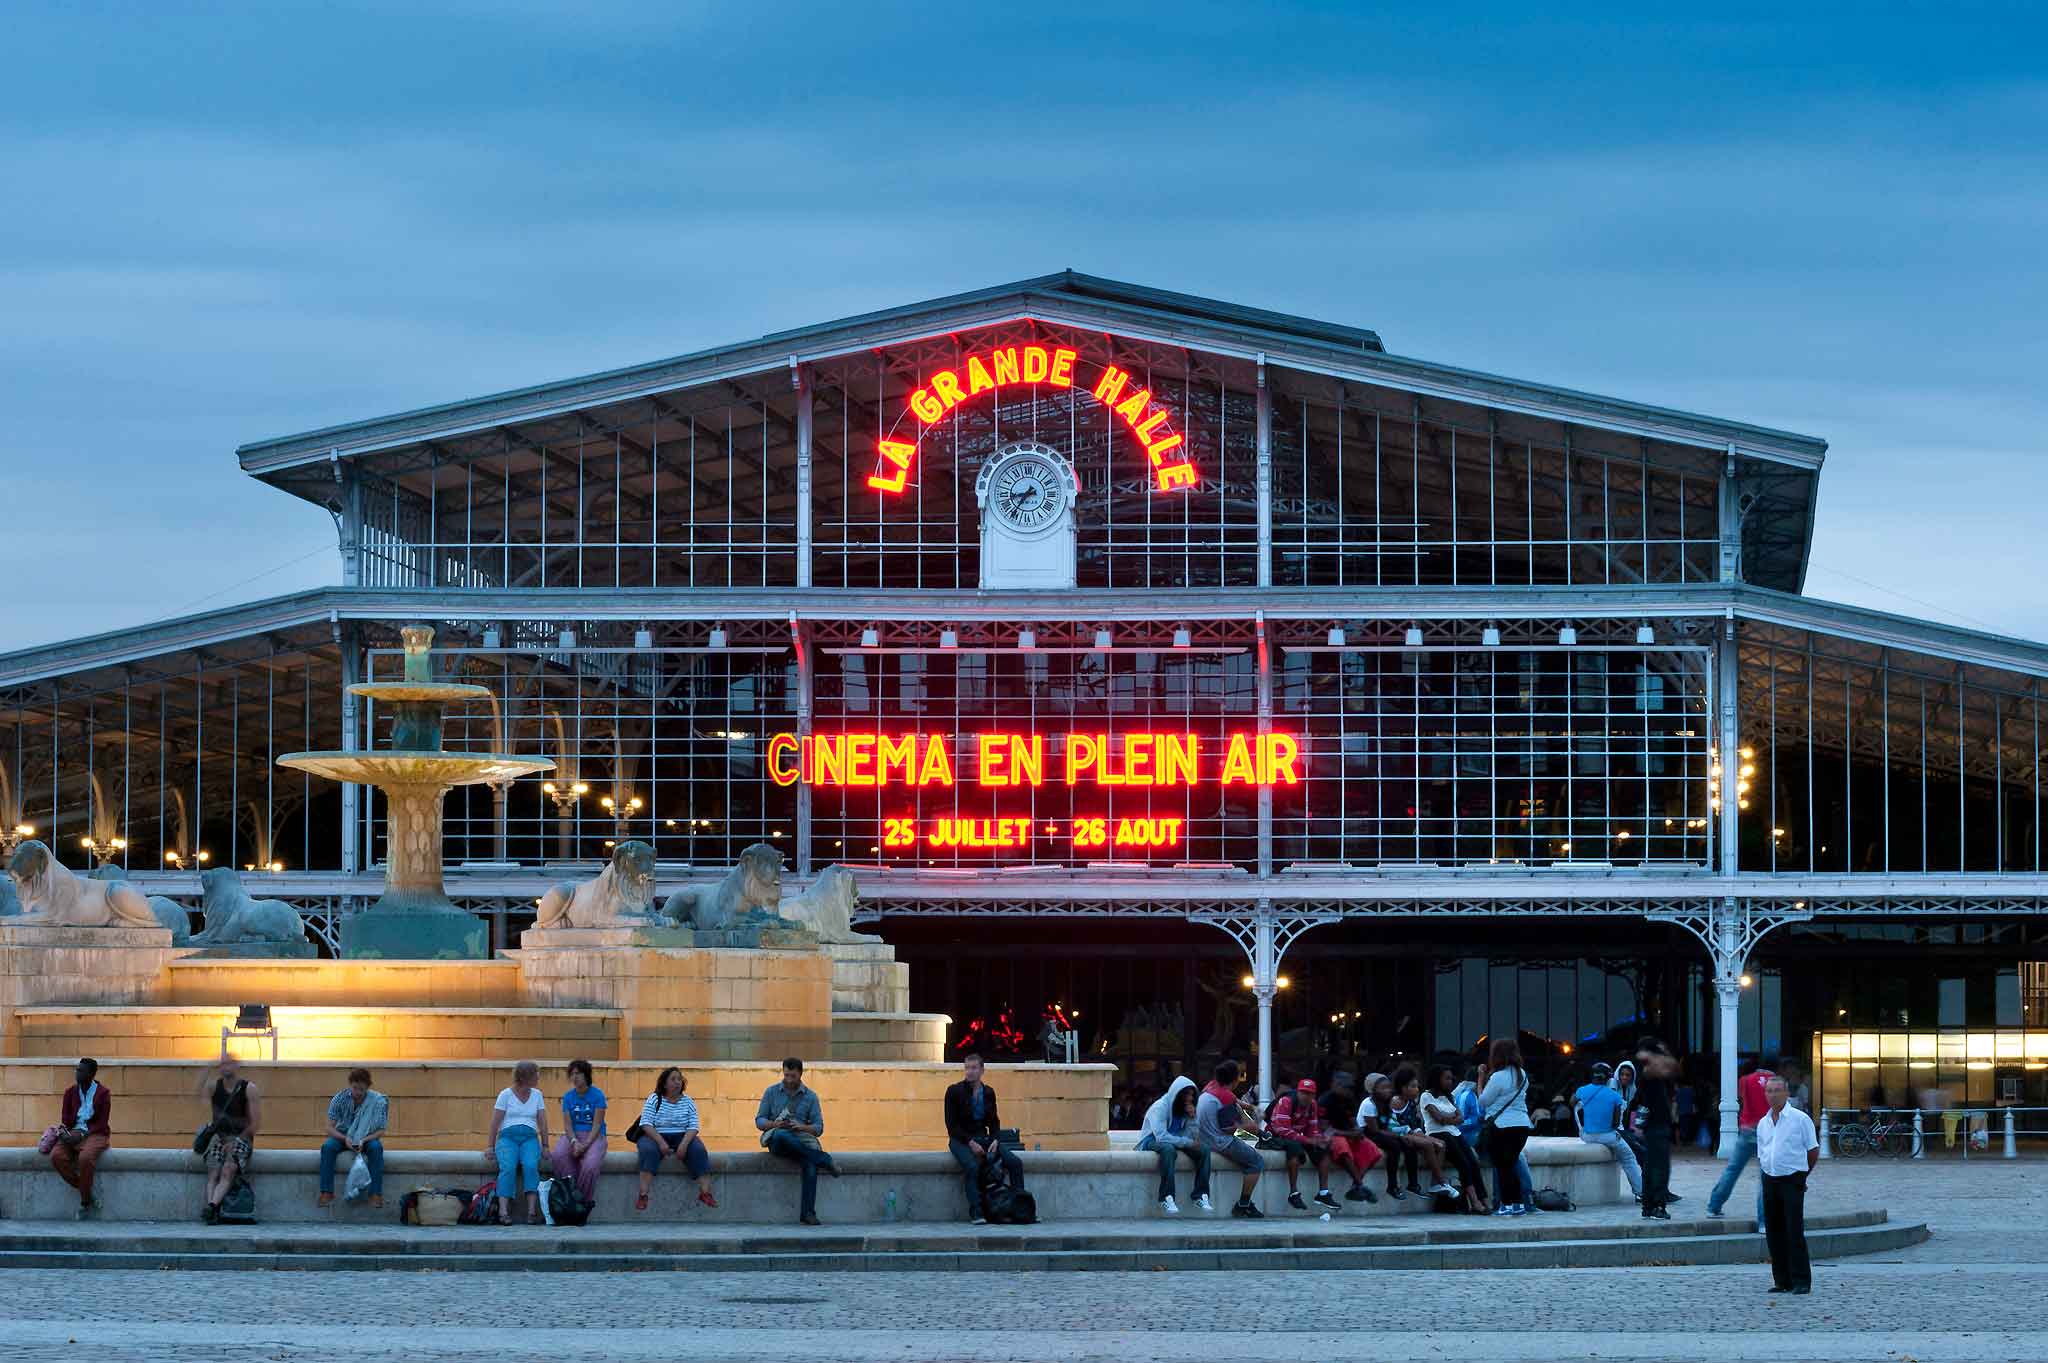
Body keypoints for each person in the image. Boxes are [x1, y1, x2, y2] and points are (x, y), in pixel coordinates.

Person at [1756, 1075, 1819, 1295]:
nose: (1772, 1095)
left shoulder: (1800, 1119)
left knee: (1794, 1229)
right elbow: (1762, 1150)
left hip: (1793, 1177)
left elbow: (1812, 1150)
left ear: (1786, 1093)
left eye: (1776, 1091)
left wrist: (1803, 1176)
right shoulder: (1763, 1123)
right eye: (1769, 1091)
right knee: (1773, 1231)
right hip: (1769, 1177)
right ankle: (1782, 1280)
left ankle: (1801, 1279)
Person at [944, 1053, 1024, 1225]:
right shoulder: (954, 1091)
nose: (969, 1072)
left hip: (984, 1137)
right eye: (967, 1068)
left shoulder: (988, 1092)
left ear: (982, 1070)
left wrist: (995, 1139)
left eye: (973, 1068)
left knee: (1015, 1163)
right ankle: (977, 1212)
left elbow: (994, 1121)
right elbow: (952, 1126)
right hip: (961, 1139)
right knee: (972, 1167)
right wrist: (970, 1143)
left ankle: (1020, 1208)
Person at [757, 1056, 837, 1226]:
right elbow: (759, 1120)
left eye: (793, 1076)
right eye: (786, 1075)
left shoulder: (811, 1097)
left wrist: (801, 1127)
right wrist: (775, 1124)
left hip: (800, 1141)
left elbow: (818, 1128)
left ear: (800, 1074)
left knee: (809, 1164)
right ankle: (823, 1158)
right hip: (778, 1141)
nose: (789, 1079)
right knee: (781, 1135)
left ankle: (808, 1213)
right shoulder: (771, 1092)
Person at [1706, 1055, 1775, 1231]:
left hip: (1747, 1128)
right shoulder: (1777, 1083)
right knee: (1765, 1175)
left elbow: (1742, 1100)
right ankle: (1764, 1222)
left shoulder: (1745, 1080)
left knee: (1733, 1169)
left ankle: (1714, 1207)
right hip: (1768, 1130)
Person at [635, 1066, 717, 1212]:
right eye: (673, 1079)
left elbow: (693, 1126)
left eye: (679, 1079)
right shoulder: (654, 1098)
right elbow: (645, 1123)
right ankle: (643, 1195)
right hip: (655, 1134)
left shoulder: (688, 1101)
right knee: (648, 1151)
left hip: (682, 1135)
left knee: (698, 1150)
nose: (677, 1082)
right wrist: (661, 1142)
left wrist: (684, 1145)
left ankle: (705, 1193)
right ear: (664, 1083)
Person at [1195, 1059, 1267, 1218]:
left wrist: (1250, 1107)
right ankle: (1244, 1204)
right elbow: (1229, 1129)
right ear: (1235, 1080)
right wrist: (1254, 1123)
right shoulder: (1225, 1097)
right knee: (1256, 1162)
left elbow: (1234, 1101)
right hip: (1218, 1139)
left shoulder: (1212, 1086)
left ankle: (1262, 1137)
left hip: (1205, 1135)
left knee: (1254, 1137)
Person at [198, 1054, 260, 1224]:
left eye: (229, 1063)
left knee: (228, 1169)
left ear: (236, 1066)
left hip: (241, 1138)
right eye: (222, 1064)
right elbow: (199, 1094)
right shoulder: (214, 1087)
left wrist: (235, 1142)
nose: (225, 1067)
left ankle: (211, 1207)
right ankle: (212, 1209)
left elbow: (254, 1124)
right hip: (220, 1137)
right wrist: (207, 1069)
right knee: (213, 1172)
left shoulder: (249, 1088)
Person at [487, 1059, 551, 1225]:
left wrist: (545, 1145)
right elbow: (495, 1123)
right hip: (508, 1137)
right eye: (535, 1075)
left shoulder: (537, 1095)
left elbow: (543, 1122)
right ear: (525, 1077)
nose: (538, 1078)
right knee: (507, 1167)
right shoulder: (505, 1095)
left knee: (530, 1166)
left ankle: (531, 1211)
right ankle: (503, 1211)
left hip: (529, 1137)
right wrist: (490, 1146)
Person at [47, 1058, 111, 1220]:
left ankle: (84, 1202)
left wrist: (83, 1134)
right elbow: (66, 1119)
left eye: (81, 1070)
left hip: (95, 1133)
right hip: (73, 1132)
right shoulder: (70, 1092)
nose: (77, 1073)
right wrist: (64, 1132)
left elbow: (102, 1122)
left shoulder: (103, 1094)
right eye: (77, 1069)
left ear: (91, 1074)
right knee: (56, 1156)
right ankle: (87, 1193)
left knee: (85, 1158)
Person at [1420, 1065, 1489, 1213]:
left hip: (1455, 1133)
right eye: (1446, 1078)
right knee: (1463, 1163)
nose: (1450, 1081)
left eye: (1451, 1078)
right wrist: (1452, 1118)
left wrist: (1448, 1119)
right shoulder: (1426, 1096)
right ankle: (1474, 1202)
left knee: (1474, 1163)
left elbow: (1461, 1118)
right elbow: (1438, 1119)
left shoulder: (1448, 1096)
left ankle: (1484, 1200)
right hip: (1438, 1133)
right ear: (1436, 1079)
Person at [317, 1067, 388, 1209]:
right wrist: (345, 1139)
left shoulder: (377, 1101)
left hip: (366, 1137)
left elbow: (381, 1130)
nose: (358, 1093)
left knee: (376, 1148)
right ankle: (326, 1192)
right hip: (343, 1135)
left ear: (367, 1088)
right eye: (355, 1088)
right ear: (350, 1085)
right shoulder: (339, 1099)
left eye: (362, 1089)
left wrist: (364, 1140)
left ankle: (376, 1194)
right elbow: (329, 1128)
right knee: (327, 1147)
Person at [1136, 1076, 1209, 1214]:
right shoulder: (1160, 1107)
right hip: (1151, 1140)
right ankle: (1166, 1197)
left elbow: (1191, 1137)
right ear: (1178, 1093)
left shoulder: (1185, 1109)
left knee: (1204, 1150)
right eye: (1187, 1094)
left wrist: (1192, 1118)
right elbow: (1161, 1136)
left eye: (1192, 1095)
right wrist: (1187, 1143)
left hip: (1174, 1140)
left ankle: (1200, 1195)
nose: (1190, 1099)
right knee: (1168, 1149)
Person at [1478, 1038, 1533, 1217]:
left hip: (1501, 1125)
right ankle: (1518, 1204)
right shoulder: (1522, 1074)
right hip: (1522, 1124)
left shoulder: (1498, 1076)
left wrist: (1480, 1079)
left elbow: (1483, 1101)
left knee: (1502, 1166)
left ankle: (1506, 1205)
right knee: (1511, 1163)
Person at [1267, 1077, 1339, 1211]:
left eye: (1309, 1093)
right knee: (1294, 1149)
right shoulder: (1286, 1101)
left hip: (1298, 1136)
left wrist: (1319, 1139)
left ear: (1314, 1095)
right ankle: (1293, 1193)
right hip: (1277, 1135)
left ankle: (1323, 1193)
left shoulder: (1313, 1105)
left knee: (1323, 1151)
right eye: (1303, 1092)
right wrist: (1307, 1140)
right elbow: (1282, 1130)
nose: (1305, 1096)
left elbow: (1313, 1128)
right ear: (1298, 1092)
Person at [1573, 1062, 1642, 1201]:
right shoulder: (1614, 1096)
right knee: (1629, 1159)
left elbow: (1572, 1103)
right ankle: (1640, 1193)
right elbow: (1616, 1122)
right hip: (1608, 1136)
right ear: (1608, 1077)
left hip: (1587, 1136)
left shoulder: (1582, 1090)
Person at [1631, 1038, 1680, 1220]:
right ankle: (1657, 1206)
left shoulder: (1647, 1070)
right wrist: (1660, 1051)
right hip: (1656, 1125)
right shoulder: (1649, 1069)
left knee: (1651, 1167)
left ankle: (1648, 1206)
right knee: (1659, 1168)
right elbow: (1671, 1066)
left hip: (1655, 1125)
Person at [1388, 1068, 1456, 1197]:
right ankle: (1442, 1181)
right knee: (1428, 1144)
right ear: (1403, 1088)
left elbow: (1414, 1123)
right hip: (1398, 1134)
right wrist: (1415, 1133)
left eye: (1417, 1086)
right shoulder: (1395, 1102)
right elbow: (1390, 1125)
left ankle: (1435, 1183)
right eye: (1413, 1086)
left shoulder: (1411, 1102)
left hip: (1410, 1132)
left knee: (1441, 1144)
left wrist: (1420, 1133)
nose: (1417, 1089)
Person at [552, 1058, 608, 1206]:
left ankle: (582, 1201)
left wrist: (586, 1145)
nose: (574, 1077)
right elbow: (568, 1125)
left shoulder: (598, 1095)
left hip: (595, 1136)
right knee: (558, 1155)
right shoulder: (568, 1097)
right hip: (573, 1136)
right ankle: (570, 1193)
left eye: (578, 1073)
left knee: (590, 1165)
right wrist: (574, 1142)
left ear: (586, 1075)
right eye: (572, 1074)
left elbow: (597, 1124)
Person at [1317, 1083, 1383, 1203]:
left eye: (1349, 1088)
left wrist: (1357, 1130)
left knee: (1373, 1150)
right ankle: (1360, 1184)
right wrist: (1349, 1134)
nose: (1348, 1091)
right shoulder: (1325, 1100)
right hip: (1330, 1136)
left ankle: (1355, 1186)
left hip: (1346, 1133)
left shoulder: (1349, 1099)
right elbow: (1326, 1130)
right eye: (1345, 1088)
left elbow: (1353, 1121)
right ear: (1336, 1087)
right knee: (1342, 1146)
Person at [1362, 1072, 1418, 1198]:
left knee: (1409, 1144)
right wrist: (1398, 1136)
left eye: (1388, 1087)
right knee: (1394, 1147)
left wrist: (1402, 1135)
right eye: (1383, 1088)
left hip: (1382, 1132)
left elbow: (1388, 1125)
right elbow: (1374, 1130)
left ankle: (1413, 1183)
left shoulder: (1387, 1103)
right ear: (1373, 1090)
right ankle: (1392, 1186)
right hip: (1368, 1133)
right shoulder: (1369, 1104)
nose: (1388, 1090)